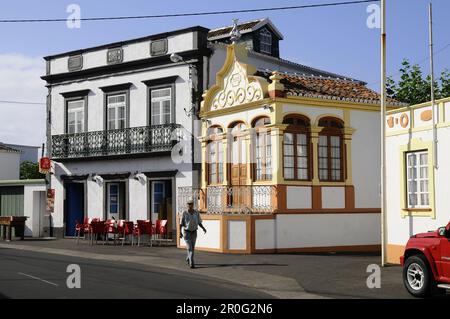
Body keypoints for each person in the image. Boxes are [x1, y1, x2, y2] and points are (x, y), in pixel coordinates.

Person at [179, 198, 206, 268]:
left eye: (191, 204)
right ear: (187, 205)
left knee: (192, 248)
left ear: (193, 205)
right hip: (186, 232)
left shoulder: (196, 213)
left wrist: (203, 228)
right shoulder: (184, 213)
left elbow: (199, 222)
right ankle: (192, 262)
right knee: (189, 248)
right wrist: (180, 232)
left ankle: (188, 257)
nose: (190, 205)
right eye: (188, 204)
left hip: (194, 232)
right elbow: (181, 224)